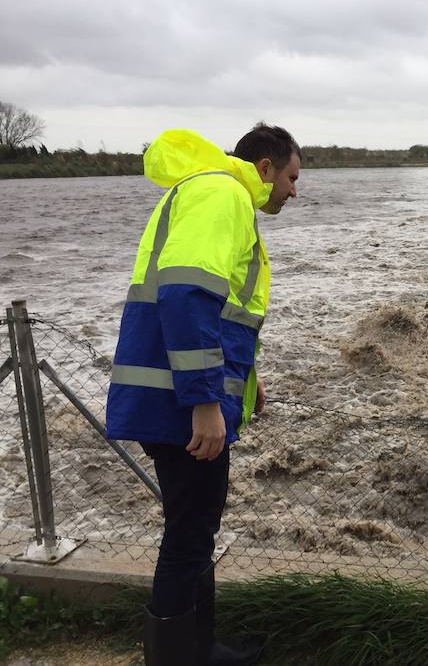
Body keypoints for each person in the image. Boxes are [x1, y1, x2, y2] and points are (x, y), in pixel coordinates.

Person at [106, 124, 301, 665]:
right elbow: (187, 296)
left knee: (194, 526)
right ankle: (177, 658)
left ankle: (200, 649)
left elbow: (223, 314)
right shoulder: (224, 194)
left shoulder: (210, 190)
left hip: (173, 395)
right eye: (290, 176)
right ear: (264, 168)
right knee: (189, 534)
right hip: (179, 403)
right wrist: (206, 403)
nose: (293, 190)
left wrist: (248, 385)